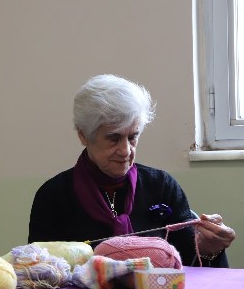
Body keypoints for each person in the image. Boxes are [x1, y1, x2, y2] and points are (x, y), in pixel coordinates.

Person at [28, 74, 236, 268]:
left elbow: (189, 266)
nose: (126, 150)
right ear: (84, 136)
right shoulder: (53, 196)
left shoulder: (162, 186)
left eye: (132, 137)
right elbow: (40, 273)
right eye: (113, 138)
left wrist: (209, 248)